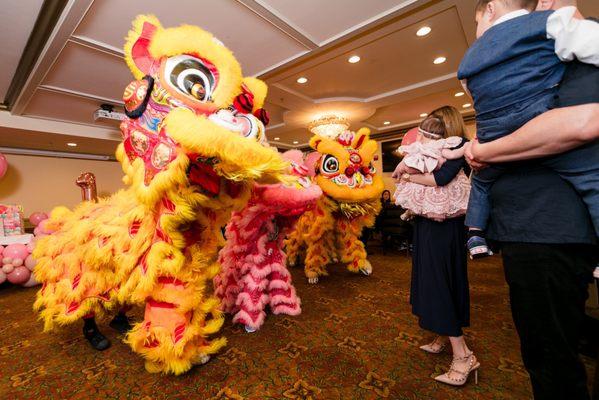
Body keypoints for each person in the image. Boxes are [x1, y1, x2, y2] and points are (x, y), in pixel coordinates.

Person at [462, 2, 598, 397]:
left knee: (550, 358)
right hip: (531, 225)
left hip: (549, 226)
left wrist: (485, 151)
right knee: (552, 350)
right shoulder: (541, 47)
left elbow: (583, 122)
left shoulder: (565, 38)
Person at [458, 0, 599, 259]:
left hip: (495, 137)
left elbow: (474, 93)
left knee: (480, 182)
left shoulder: (468, 59)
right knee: (593, 179)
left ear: (491, 8)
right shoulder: (549, 23)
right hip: (542, 124)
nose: (478, 32)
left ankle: (475, 233)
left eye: (477, 23)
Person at [398, 106, 477, 386]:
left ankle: (464, 355)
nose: (425, 137)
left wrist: (408, 177)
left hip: (444, 228)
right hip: (427, 224)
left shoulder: (457, 148)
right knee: (429, 280)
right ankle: (441, 336)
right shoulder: (435, 151)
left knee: (439, 283)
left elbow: (440, 179)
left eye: (430, 131)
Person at [392, 115, 470, 222]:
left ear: (420, 135)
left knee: (431, 196)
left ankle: (426, 212)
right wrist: (464, 148)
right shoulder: (427, 146)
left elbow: (441, 177)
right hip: (423, 174)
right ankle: (411, 210)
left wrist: (465, 147)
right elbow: (452, 155)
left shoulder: (438, 145)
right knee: (419, 194)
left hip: (429, 176)